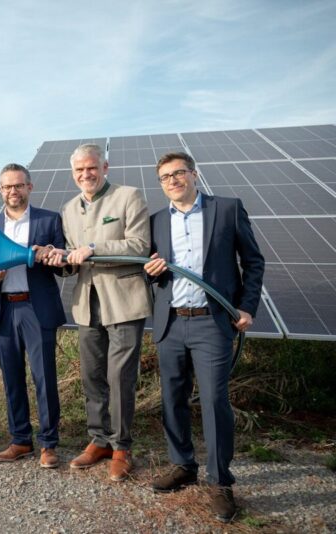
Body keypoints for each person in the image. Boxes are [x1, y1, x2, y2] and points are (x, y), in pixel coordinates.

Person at [144, 152, 264, 523]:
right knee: (172, 399)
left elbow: (253, 260)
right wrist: (151, 272)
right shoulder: (156, 221)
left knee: (214, 401)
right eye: (165, 176)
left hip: (213, 323)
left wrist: (246, 307)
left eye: (179, 173)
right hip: (171, 323)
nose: (173, 180)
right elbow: (151, 272)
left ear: (194, 174)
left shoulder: (227, 209)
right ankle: (183, 465)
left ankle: (220, 481)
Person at [46, 143, 152, 481]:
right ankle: (99, 440)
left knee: (119, 377)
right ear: (73, 174)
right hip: (86, 304)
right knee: (92, 377)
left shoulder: (128, 196)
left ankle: (121, 447)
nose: (85, 175)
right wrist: (57, 259)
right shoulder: (68, 209)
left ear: (104, 167)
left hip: (123, 301)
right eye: (79, 171)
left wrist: (92, 249)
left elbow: (139, 247)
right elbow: (71, 263)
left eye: (91, 168)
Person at [0, 163, 66, 469]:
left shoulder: (49, 220)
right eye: (7, 186)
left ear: (29, 187)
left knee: (44, 378)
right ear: (0, 190)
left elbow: (63, 264)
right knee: (12, 379)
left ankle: (49, 444)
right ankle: (20, 439)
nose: (13, 191)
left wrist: (52, 253)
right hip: (3, 309)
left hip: (36, 309)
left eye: (18, 185)